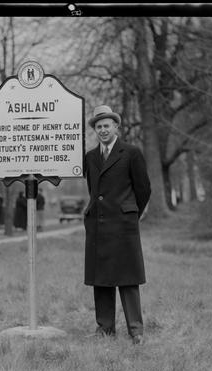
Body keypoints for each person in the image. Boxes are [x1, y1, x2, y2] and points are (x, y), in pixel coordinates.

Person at [83, 105, 151, 345]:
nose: (103, 130)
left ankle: (136, 330)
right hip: (98, 226)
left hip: (123, 225)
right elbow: (94, 189)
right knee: (101, 278)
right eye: (98, 126)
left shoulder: (131, 153)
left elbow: (143, 189)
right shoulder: (90, 157)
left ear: (116, 127)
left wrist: (131, 212)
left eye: (106, 126)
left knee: (128, 278)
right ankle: (105, 328)